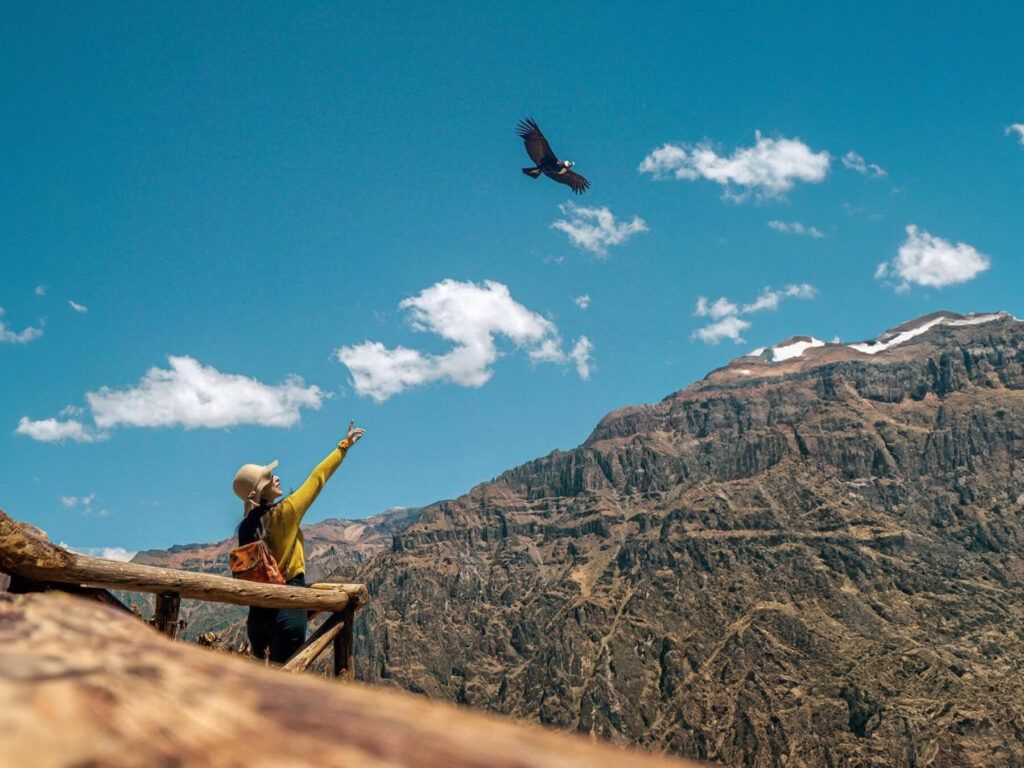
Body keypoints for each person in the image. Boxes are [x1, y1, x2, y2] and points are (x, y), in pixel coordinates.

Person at [232, 420, 366, 663]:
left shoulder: (246, 527)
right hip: (288, 606)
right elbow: (318, 477)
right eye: (269, 478)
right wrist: (344, 446)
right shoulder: (286, 512)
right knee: (289, 678)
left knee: (263, 680)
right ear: (261, 491)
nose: (276, 478)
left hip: (257, 616)